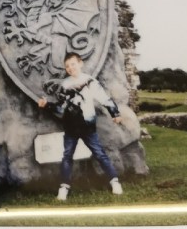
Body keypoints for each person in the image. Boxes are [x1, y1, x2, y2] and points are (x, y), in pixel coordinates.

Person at [38, 52, 124, 201]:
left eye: (73, 64)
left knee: (100, 154)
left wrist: (115, 113)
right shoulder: (64, 85)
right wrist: (46, 105)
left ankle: (114, 181)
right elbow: (61, 108)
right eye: (67, 66)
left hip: (88, 126)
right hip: (70, 128)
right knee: (67, 156)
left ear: (80, 63)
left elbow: (104, 99)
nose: (70, 68)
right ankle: (64, 187)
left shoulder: (90, 81)